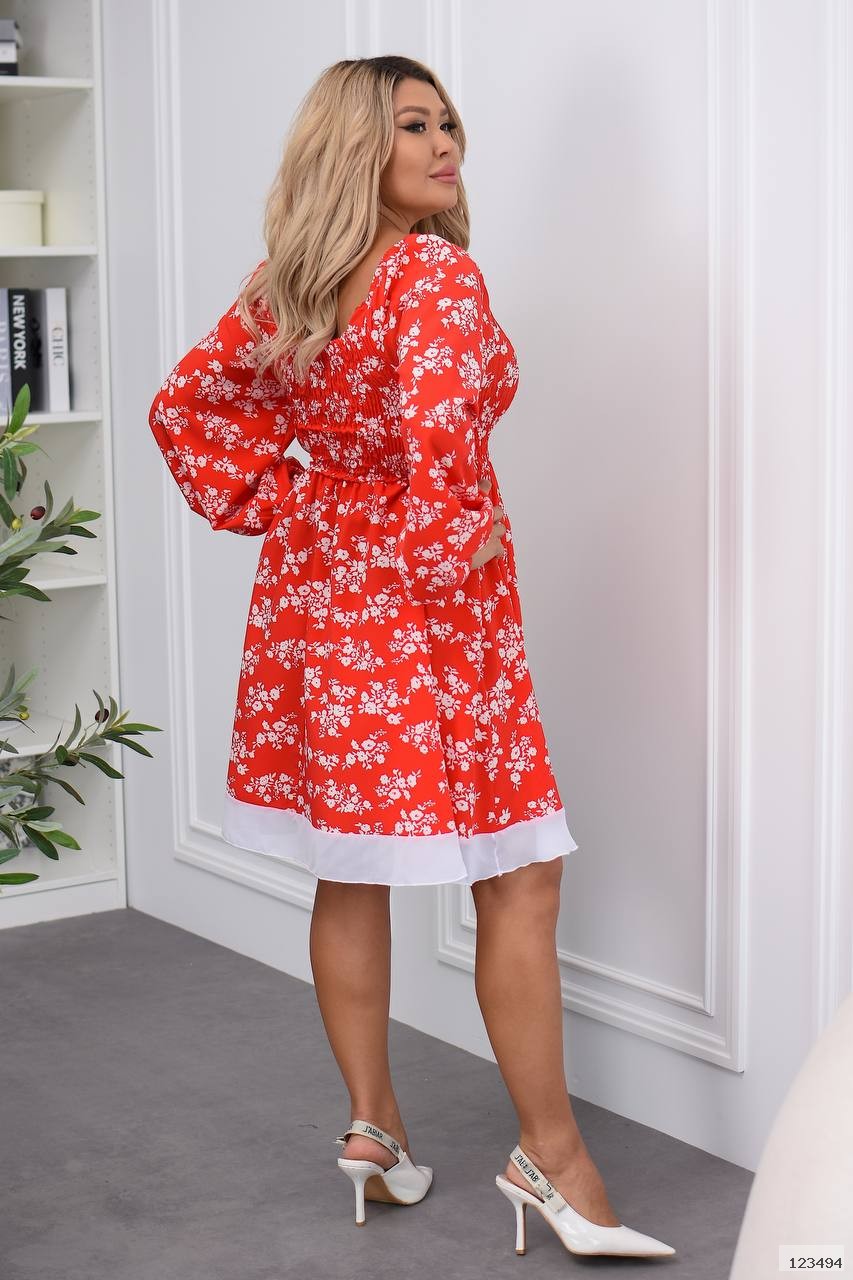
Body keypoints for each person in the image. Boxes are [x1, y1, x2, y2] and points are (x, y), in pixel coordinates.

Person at [148, 53, 675, 1262]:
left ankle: (373, 1127)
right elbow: (440, 450)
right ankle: (554, 1156)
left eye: (448, 123)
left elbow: (184, 408)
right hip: (431, 617)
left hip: (320, 609)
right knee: (519, 874)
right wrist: (445, 550)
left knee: (354, 868)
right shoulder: (433, 275)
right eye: (414, 126)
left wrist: (297, 501)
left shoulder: (289, 287)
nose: (446, 145)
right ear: (355, 150)